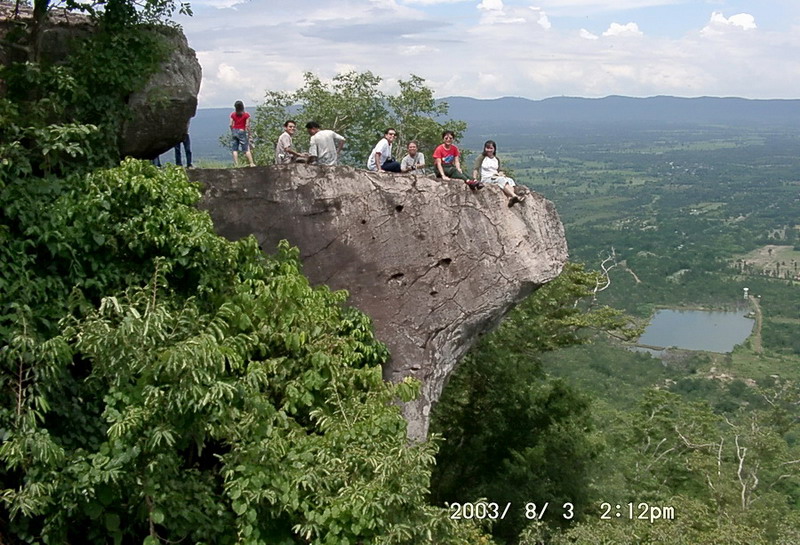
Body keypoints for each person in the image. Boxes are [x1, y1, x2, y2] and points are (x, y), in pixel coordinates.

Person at [473, 140, 525, 207]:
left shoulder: (496, 159)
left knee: (510, 180)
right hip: (486, 178)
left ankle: (510, 198)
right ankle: (515, 196)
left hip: (495, 177)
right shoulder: (481, 158)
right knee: (501, 180)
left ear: (494, 149)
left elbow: (500, 170)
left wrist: (500, 174)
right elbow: (476, 169)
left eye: (491, 148)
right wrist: (475, 179)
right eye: (487, 148)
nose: (489, 150)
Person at [230, 100, 256, 167]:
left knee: (234, 149)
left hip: (234, 131)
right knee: (246, 149)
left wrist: (232, 130)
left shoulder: (233, 114)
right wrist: (249, 133)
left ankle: (236, 164)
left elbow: (230, 124)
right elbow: (247, 125)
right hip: (242, 131)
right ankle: (251, 163)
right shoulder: (246, 115)